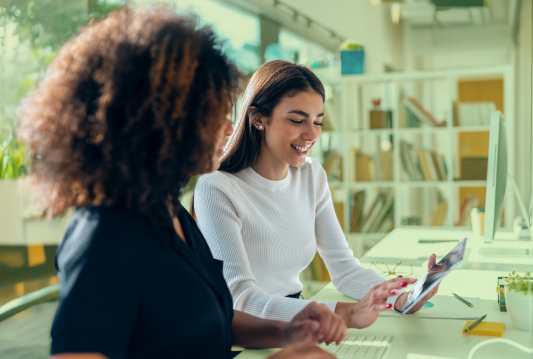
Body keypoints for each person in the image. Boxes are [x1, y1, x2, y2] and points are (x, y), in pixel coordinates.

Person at [17, 7, 348, 359]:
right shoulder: (105, 237)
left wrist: (287, 330)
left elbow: (211, 322)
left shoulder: (171, 212)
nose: (227, 126)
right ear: (156, 120)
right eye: (209, 112)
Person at [193, 60, 440, 328]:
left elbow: (344, 270)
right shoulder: (217, 187)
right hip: (248, 334)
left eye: (318, 122)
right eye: (297, 120)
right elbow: (240, 298)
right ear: (258, 118)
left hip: (300, 323)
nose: (311, 134)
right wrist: (344, 312)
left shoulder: (312, 176)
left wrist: (401, 298)